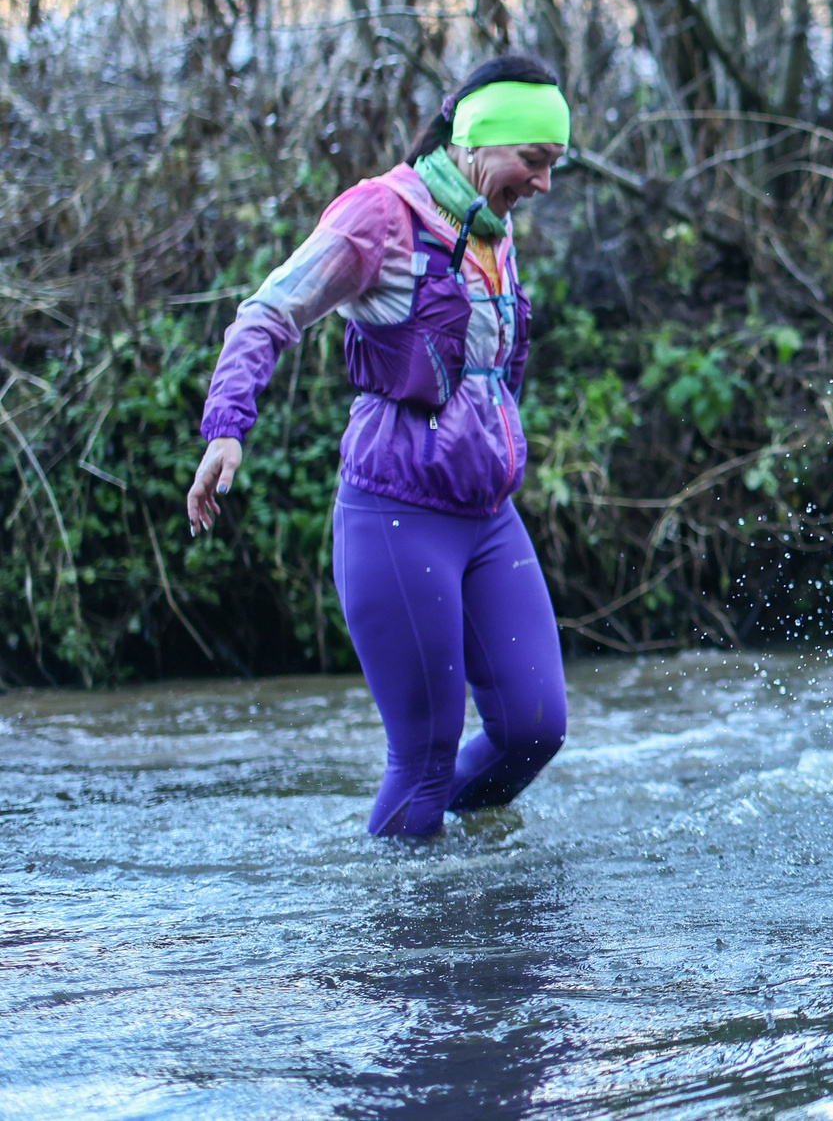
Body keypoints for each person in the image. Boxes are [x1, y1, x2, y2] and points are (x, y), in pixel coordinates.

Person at [188, 55, 573, 838]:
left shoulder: (492, 230)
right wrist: (227, 427)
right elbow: (267, 314)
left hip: (489, 517)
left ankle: (478, 904)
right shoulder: (379, 215)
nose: (542, 184)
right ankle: (412, 938)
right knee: (425, 758)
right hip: (397, 518)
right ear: (476, 141)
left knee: (534, 727)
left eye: (553, 166)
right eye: (533, 161)